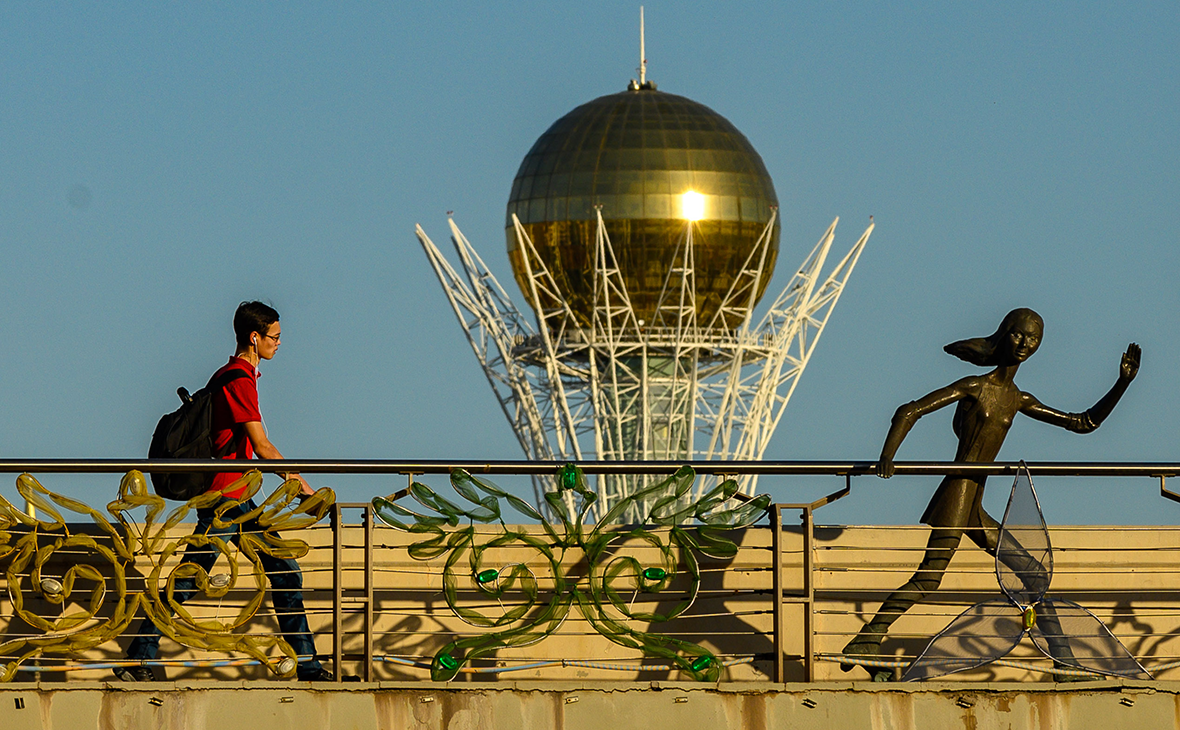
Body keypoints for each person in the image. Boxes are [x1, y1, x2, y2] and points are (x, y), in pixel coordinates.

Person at [841, 308, 1141, 678]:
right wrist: (888, 457)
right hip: (957, 493)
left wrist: (1122, 383)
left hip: (974, 500)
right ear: (1003, 335)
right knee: (929, 578)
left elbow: (1083, 423)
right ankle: (868, 639)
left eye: (1033, 339)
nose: (1024, 344)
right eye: (1018, 335)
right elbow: (910, 410)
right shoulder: (974, 386)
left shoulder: (1018, 398)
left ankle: (1063, 661)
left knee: (1032, 575)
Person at [118, 301, 342, 682]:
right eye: (275, 337)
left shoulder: (237, 376)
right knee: (190, 581)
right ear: (254, 338)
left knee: (284, 572)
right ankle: (138, 659)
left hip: (238, 498)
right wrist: (305, 490)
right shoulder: (238, 379)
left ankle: (309, 667)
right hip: (225, 500)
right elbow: (262, 446)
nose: (279, 343)